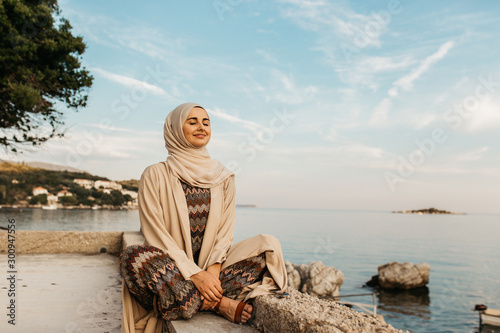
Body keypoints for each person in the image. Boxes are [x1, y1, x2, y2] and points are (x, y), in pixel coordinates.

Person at [119, 103, 287, 333]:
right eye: (192, 121)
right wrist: (195, 275)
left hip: (208, 273)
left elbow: (225, 233)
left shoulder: (224, 177)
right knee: (133, 257)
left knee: (268, 247)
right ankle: (218, 304)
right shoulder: (155, 174)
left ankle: (183, 302)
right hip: (173, 270)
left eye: (206, 122)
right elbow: (155, 234)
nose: (201, 127)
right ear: (176, 129)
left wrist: (212, 274)